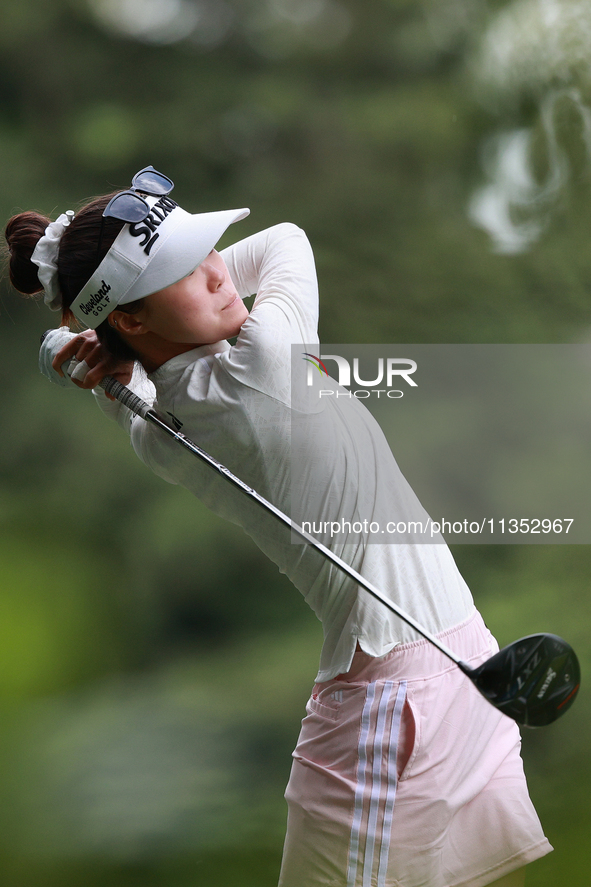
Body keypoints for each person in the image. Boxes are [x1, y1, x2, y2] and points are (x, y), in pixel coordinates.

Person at [5, 166, 552, 887]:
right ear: (132, 319)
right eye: (182, 271)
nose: (215, 274)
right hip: (412, 688)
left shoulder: (159, 428)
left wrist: (90, 348)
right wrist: (94, 347)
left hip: (419, 675)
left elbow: (135, 386)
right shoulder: (265, 359)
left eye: (205, 251)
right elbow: (286, 241)